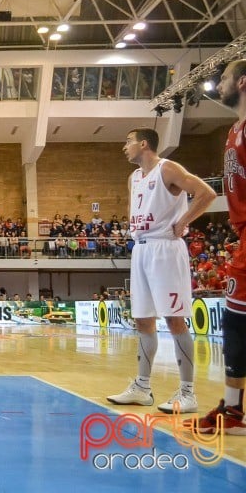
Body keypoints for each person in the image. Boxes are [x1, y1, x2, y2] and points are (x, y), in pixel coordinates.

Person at [106, 128, 216, 413]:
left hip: (166, 248)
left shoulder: (168, 168)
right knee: (143, 320)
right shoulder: (133, 178)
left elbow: (206, 193)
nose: (124, 147)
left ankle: (188, 393)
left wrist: (185, 220)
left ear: (144, 144)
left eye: (128, 141)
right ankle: (142, 387)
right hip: (140, 249)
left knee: (175, 320)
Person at [189, 61, 246, 434]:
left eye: (224, 78)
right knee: (236, 323)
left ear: (243, 82)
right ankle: (234, 410)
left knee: (237, 323)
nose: (219, 84)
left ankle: (234, 411)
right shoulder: (233, 131)